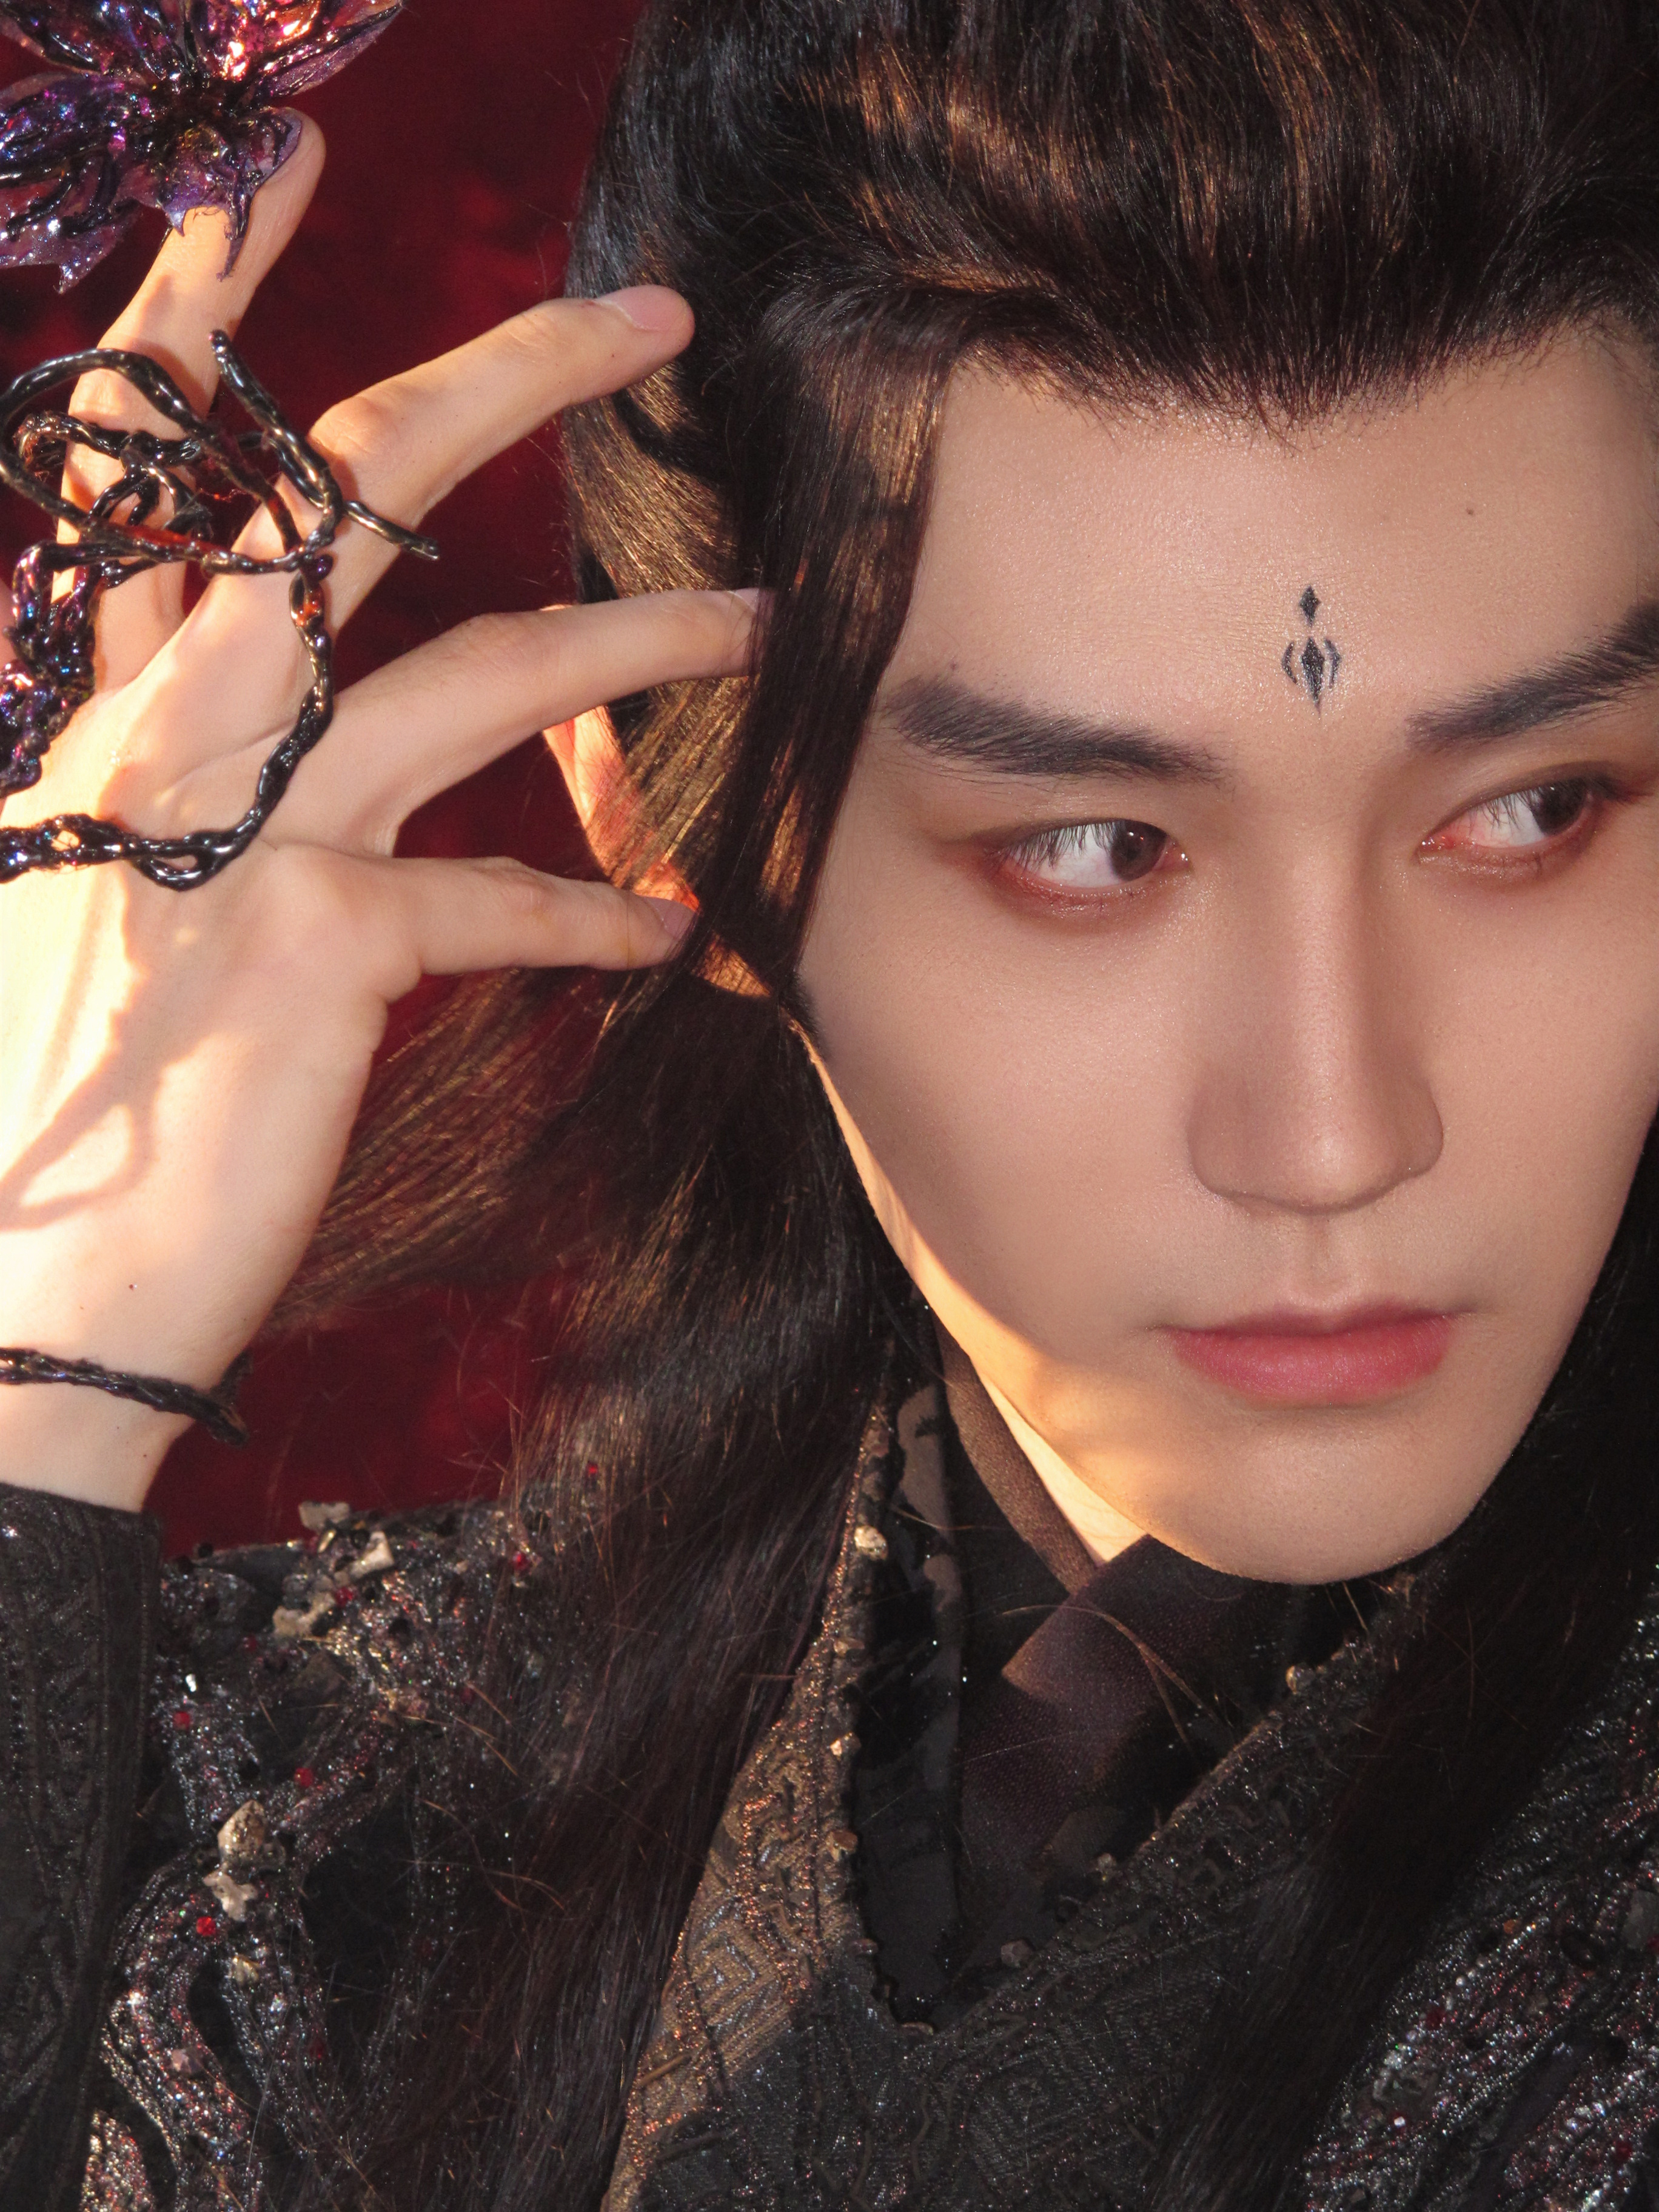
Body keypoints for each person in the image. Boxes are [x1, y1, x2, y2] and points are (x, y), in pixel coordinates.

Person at [5, 0, 1659, 2204]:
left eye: (1538, 810)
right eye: (1095, 850)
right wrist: (46, 1368)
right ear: (669, 828)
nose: (1340, 1135)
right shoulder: (311, 1840)